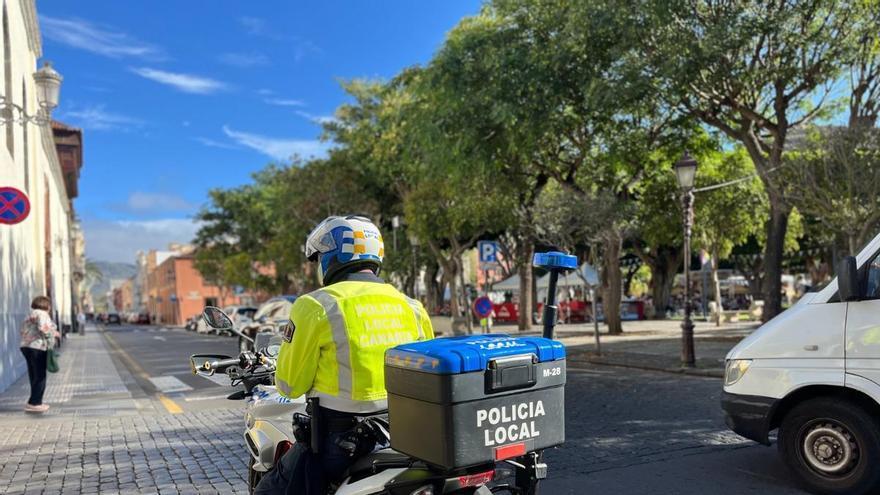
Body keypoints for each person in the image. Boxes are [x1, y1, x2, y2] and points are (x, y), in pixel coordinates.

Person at [256, 215, 434, 494]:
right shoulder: (412, 307)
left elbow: (290, 386)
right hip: (404, 436)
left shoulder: (316, 305)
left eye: (318, 259)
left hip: (338, 445)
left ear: (331, 257)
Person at [19, 296, 59, 413]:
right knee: (40, 375)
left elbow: (22, 330)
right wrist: (54, 333)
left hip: (26, 346)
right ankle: (35, 403)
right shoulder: (42, 314)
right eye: (49, 305)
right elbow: (43, 328)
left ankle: (33, 401)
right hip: (37, 346)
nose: (50, 308)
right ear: (45, 305)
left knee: (33, 375)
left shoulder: (29, 314)